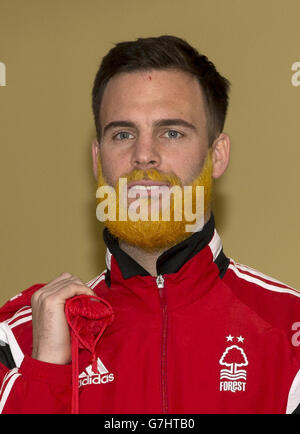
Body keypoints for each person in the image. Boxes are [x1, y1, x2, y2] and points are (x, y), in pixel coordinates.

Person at [0, 35, 299, 414]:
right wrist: (45, 373)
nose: (143, 156)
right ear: (97, 158)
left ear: (217, 155)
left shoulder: (290, 330)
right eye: (122, 134)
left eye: (171, 132)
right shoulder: (17, 338)